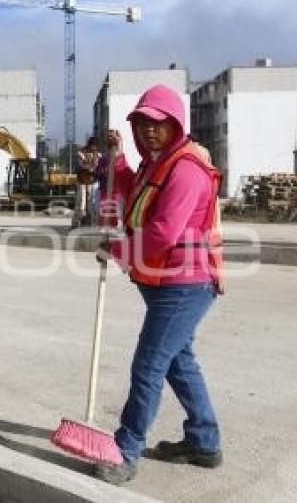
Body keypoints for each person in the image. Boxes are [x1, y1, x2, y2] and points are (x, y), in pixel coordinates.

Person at [94, 84, 224, 485]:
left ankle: (126, 449)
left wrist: (118, 252)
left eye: (158, 123)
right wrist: (115, 164)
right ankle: (204, 442)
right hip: (163, 280)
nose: (150, 130)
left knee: (149, 365)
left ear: (175, 123)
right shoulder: (157, 164)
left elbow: (164, 232)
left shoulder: (185, 168)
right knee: (178, 362)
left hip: (184, 284)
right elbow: (132, 194)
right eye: (142, 123)